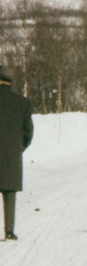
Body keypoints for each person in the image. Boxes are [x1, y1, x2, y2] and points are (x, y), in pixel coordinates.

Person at [0, 66, 34, 242]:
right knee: (9, 193)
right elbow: (28, 132)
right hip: (11, 155)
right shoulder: (23, 103)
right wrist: (19, 147)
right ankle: (9, 231)